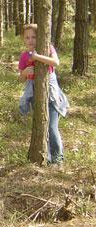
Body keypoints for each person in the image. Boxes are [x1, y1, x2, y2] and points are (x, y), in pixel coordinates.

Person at [18, 23, 68, 164]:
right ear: (23, 39)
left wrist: (37, 57)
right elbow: (20, 78)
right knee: (42, 127)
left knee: (52, 127)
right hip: (35, 95)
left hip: (51, 95)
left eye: (34, 37)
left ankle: (58, 159)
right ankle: (47, 157)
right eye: (27, 38)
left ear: (40, 37)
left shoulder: (48, 49)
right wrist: (25, 73)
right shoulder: (23, 56)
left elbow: (55, 62)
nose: (31, 40)